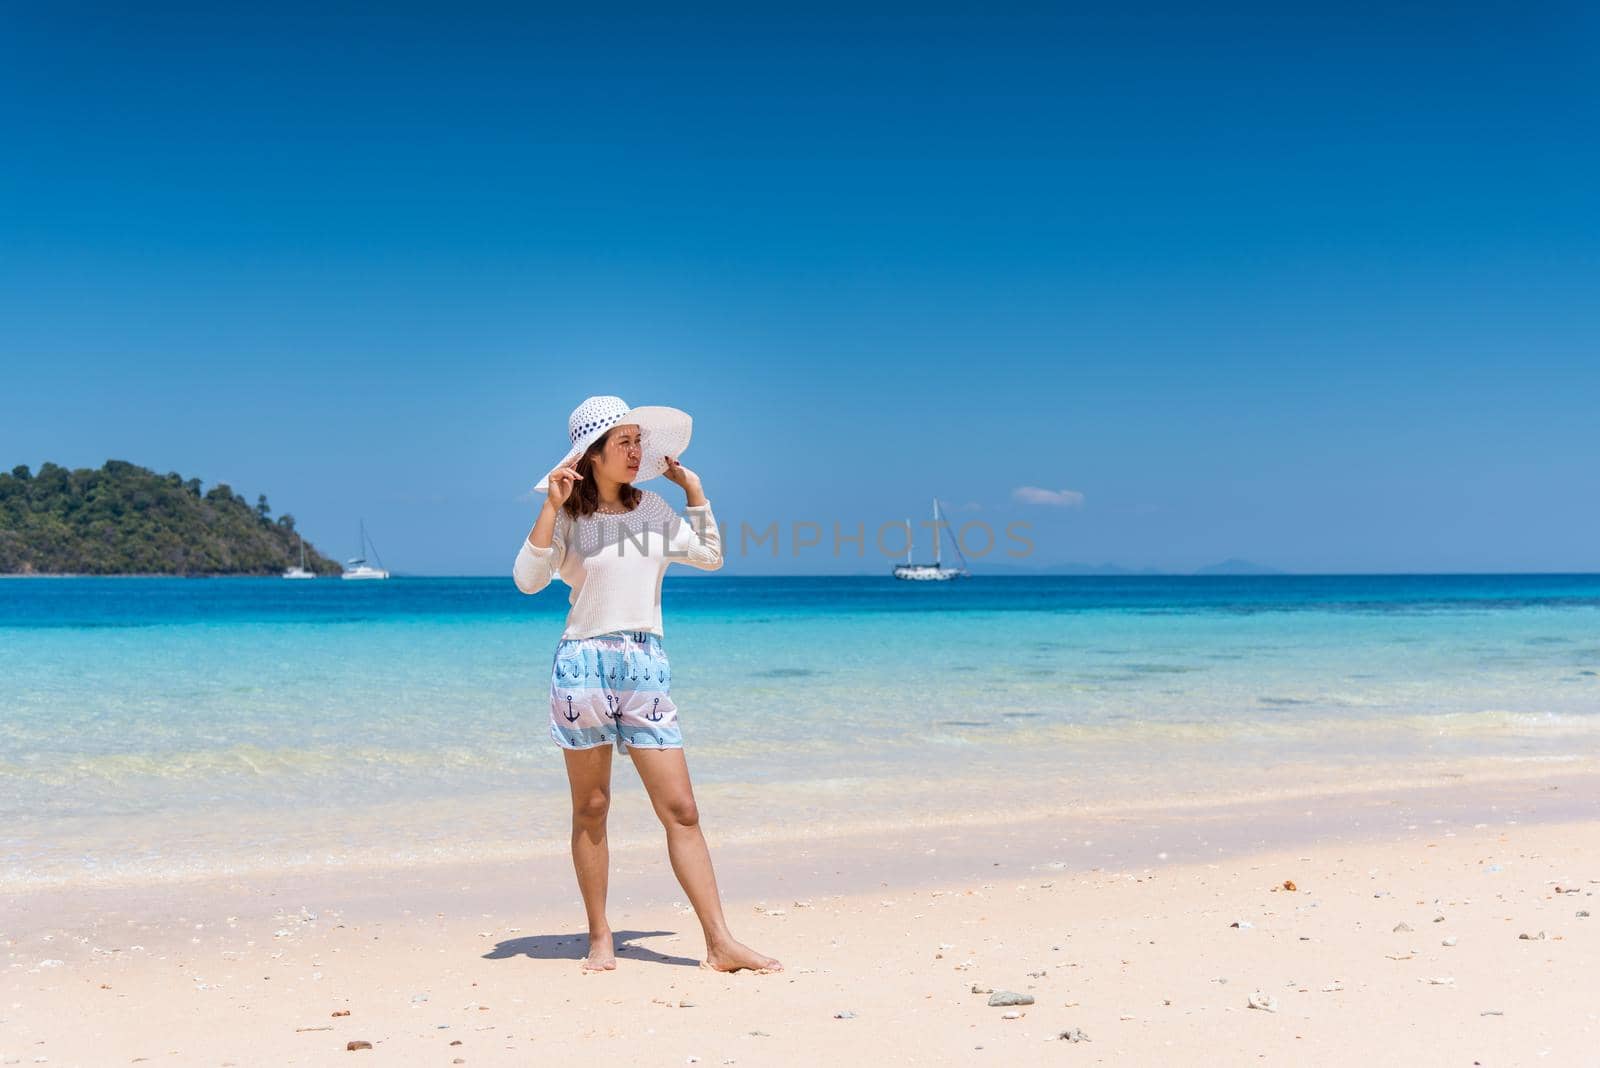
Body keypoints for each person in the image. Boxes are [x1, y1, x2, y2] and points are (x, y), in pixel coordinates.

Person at [513, 395, 783, 975]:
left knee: (682, 809)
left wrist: (695, 494)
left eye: (639, 440)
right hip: (582, 664)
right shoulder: (567, 517)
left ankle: (719, 942)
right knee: (591, 807)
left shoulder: (655, 511)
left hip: (644, 664)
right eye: (624, 442)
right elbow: (529, 581)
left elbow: (710, 556)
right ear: (592, 455)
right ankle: (600, 936)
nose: (638, 453)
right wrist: (549, 509)